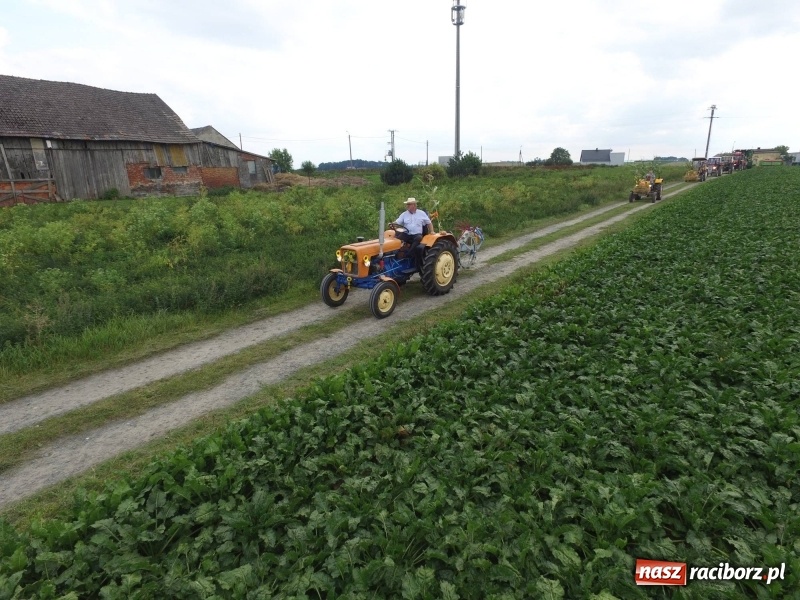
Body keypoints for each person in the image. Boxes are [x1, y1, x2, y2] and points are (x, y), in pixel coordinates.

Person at [390, 197, 433, 268]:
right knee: (396, 240)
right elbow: (397, 222)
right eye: (407, 204)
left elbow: (429, 223)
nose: (407, 206)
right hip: (407, 234)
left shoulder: (421, 213)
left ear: (414, 205)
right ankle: (394, 257)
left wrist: (432, 231)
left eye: (409, 204)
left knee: (419, 238)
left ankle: (408, 255)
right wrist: (392, 224)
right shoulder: (404, 214)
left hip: (417, 235)